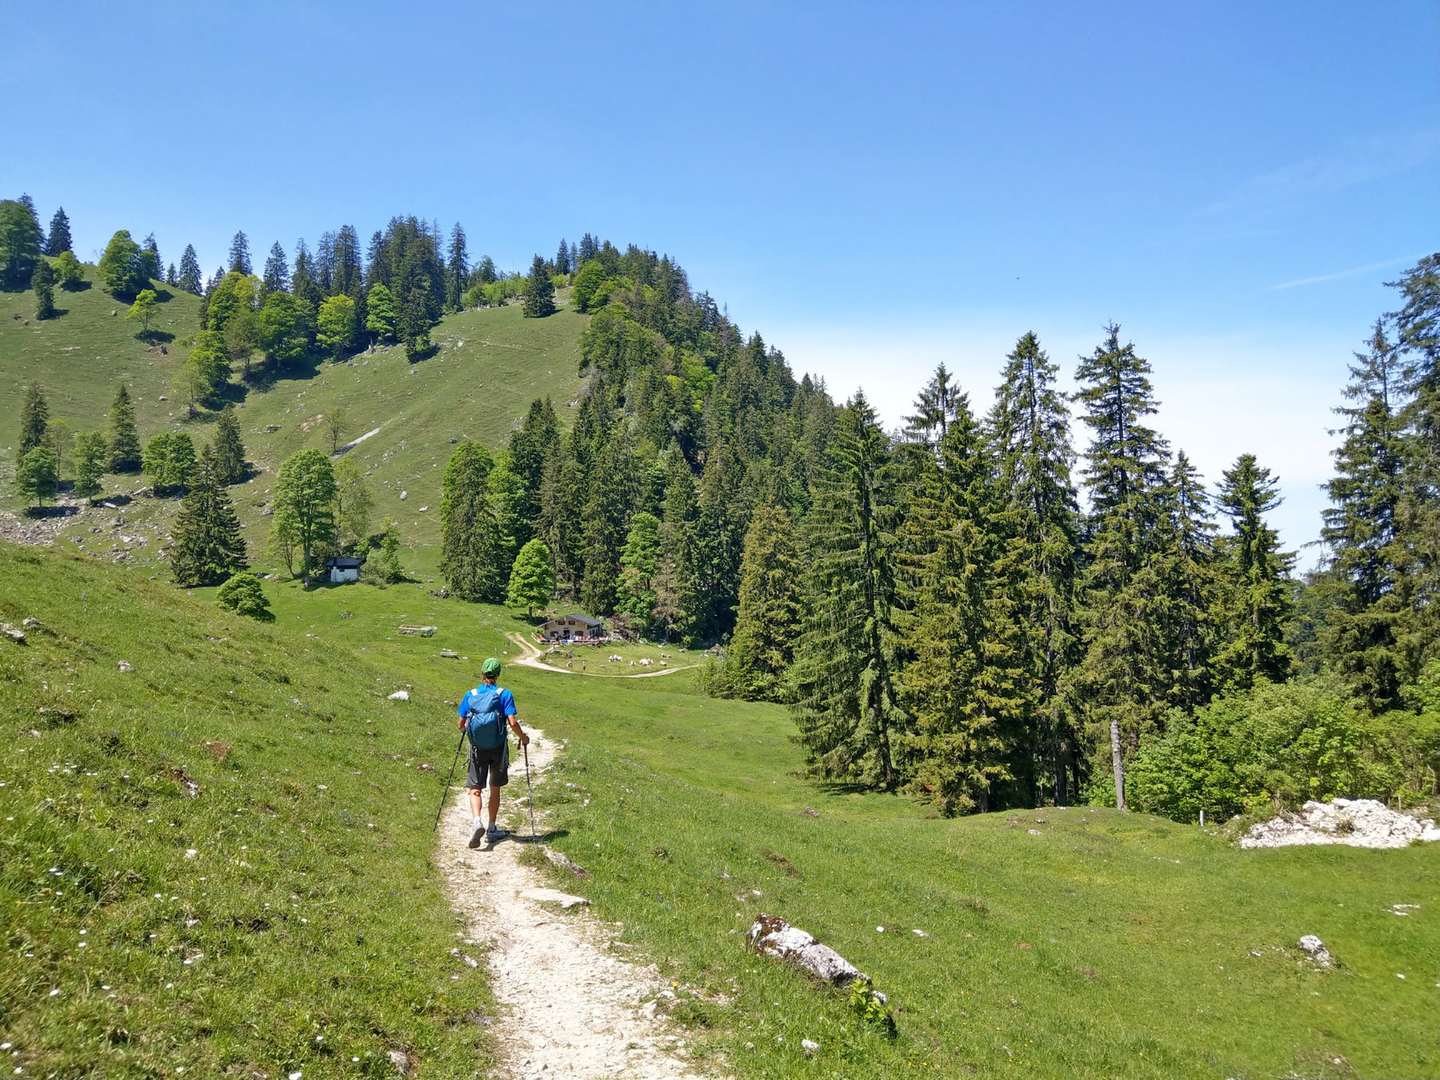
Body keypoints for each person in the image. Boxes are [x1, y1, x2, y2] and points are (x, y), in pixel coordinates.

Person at [456, 656, 530, 847]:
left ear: (482, 673)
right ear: (498, 674)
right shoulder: (504, 694)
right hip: (498, 748)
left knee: (475, 788)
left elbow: (461, 725)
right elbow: (512, 722)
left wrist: (471, 730)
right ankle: (491, 828)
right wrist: (523, 737)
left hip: (477, 748)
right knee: (495, 787)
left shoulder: (471, 694)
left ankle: (476, 821)